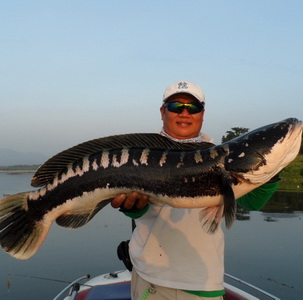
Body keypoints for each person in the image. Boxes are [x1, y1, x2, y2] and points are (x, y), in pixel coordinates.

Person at [111, 80, 280, 300]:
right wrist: (132, 208)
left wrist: (272, 168)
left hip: (202, 281)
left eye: (192, 107)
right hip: (149, 277)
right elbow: (138, 212)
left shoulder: (220, 156)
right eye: (175, 107)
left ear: (202, 113)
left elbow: (253, 202)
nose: (184, 113)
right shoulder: (142, 155)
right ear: (163, 112)